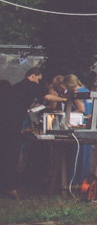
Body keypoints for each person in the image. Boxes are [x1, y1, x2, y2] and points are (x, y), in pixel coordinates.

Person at [0, 67, 45, 199]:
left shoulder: (15, 91)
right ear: (33, 76)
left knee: (6, 157)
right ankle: (9, 187)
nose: (38, 83)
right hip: (10, 130)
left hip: (7, 128)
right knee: (11, 157)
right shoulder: (28, 86)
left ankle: (6, 186)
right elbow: (45, 95)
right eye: (38, 79)